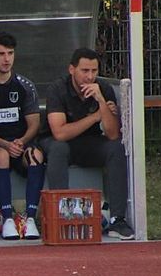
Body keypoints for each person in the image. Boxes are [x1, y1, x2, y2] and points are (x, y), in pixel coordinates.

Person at [42, 48, 134, 240]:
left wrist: (101, 101)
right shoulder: (57, 89)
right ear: (72, 69)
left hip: (89, 142)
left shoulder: (103, 88)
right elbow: (59, 133)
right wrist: (95, 117)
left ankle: (118, 219)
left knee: (116, 147)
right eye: (84, 71)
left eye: (94, 71)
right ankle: (62, 218)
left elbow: (113, 134)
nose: (90, 76)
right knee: (58, 148)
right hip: (59, 143)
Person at [0, 32, 44, 240]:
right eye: (1, 54)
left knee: (36, 155)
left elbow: (34, 123)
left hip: (20, 145)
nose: (6, 59)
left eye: (10, 53)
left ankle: (30, 219)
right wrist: (5, 144)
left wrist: (21, 141)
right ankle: (7, 218)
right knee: (1, 155)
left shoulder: (25, 85)